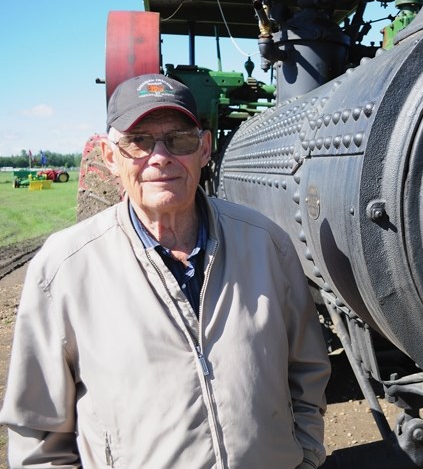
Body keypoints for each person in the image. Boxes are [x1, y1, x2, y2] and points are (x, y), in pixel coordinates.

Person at [0, 74, 331, 468]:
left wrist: (307, 456)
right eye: (138, 141)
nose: (160, 156)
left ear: (204, 149)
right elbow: (38, 436)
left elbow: (308, 371)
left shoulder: (267, 245)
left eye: (179, 139)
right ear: (110, 157)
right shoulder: (64, 270)